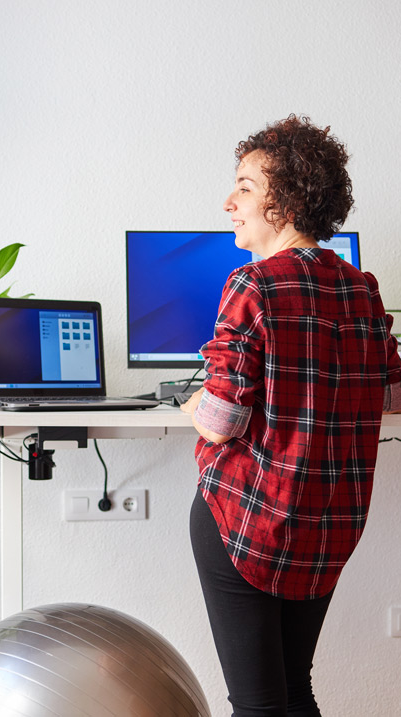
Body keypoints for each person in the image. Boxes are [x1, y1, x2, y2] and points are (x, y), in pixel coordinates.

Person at [181, 114, 401, 717]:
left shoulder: (252, 285)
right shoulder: (363, 288)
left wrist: (195, 401)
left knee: (256, 704)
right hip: (327, 526)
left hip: (248, 519)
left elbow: (220, 422)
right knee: (293, 688)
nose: (229, 201)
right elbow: (392, 396)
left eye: (246, 186)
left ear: (289, 198)